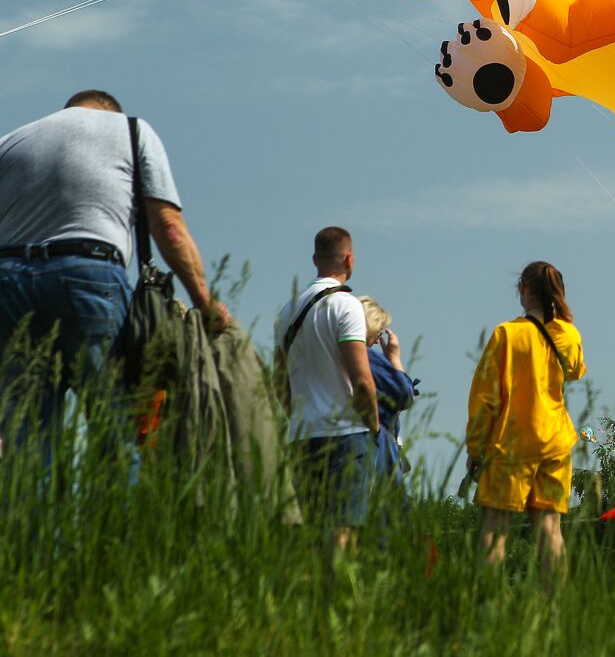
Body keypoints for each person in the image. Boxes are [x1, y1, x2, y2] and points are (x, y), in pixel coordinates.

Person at [0, 90, 227, 462]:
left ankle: (30, 520)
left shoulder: (10, 142)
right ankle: (114, 519)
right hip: (87, 275)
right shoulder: (131, 130)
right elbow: (168, 228)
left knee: (26, 439)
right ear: (109, 111)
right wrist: (204, 300)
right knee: (115, 424)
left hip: (7, 282)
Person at [468, 261, 586, 583]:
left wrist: (476, 448)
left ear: (523, 289)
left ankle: (489, 603)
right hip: (556, 442)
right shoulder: (569, 335)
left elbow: (485, 398)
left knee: (495, 530)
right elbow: (575, 371)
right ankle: (555, 610)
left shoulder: (506, 335)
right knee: (550, 529)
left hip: (512, 443)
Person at [274, 227, 378, 550]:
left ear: (314, 260)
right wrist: (373, 425)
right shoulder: (346, 306)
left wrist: (297, 415)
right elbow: (362, 379)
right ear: (349, 259)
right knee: (344, 532)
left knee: (313, 535)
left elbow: (279, 383)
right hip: (345, 434)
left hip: (302, 435)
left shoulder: (286, 312)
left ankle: (314, 597)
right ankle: (340, 598)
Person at [358, 297, 419, 489]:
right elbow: (403, 395)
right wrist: (394, 359)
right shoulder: (365, 356)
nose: (379, 338)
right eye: (379, 330)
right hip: (378, 448)